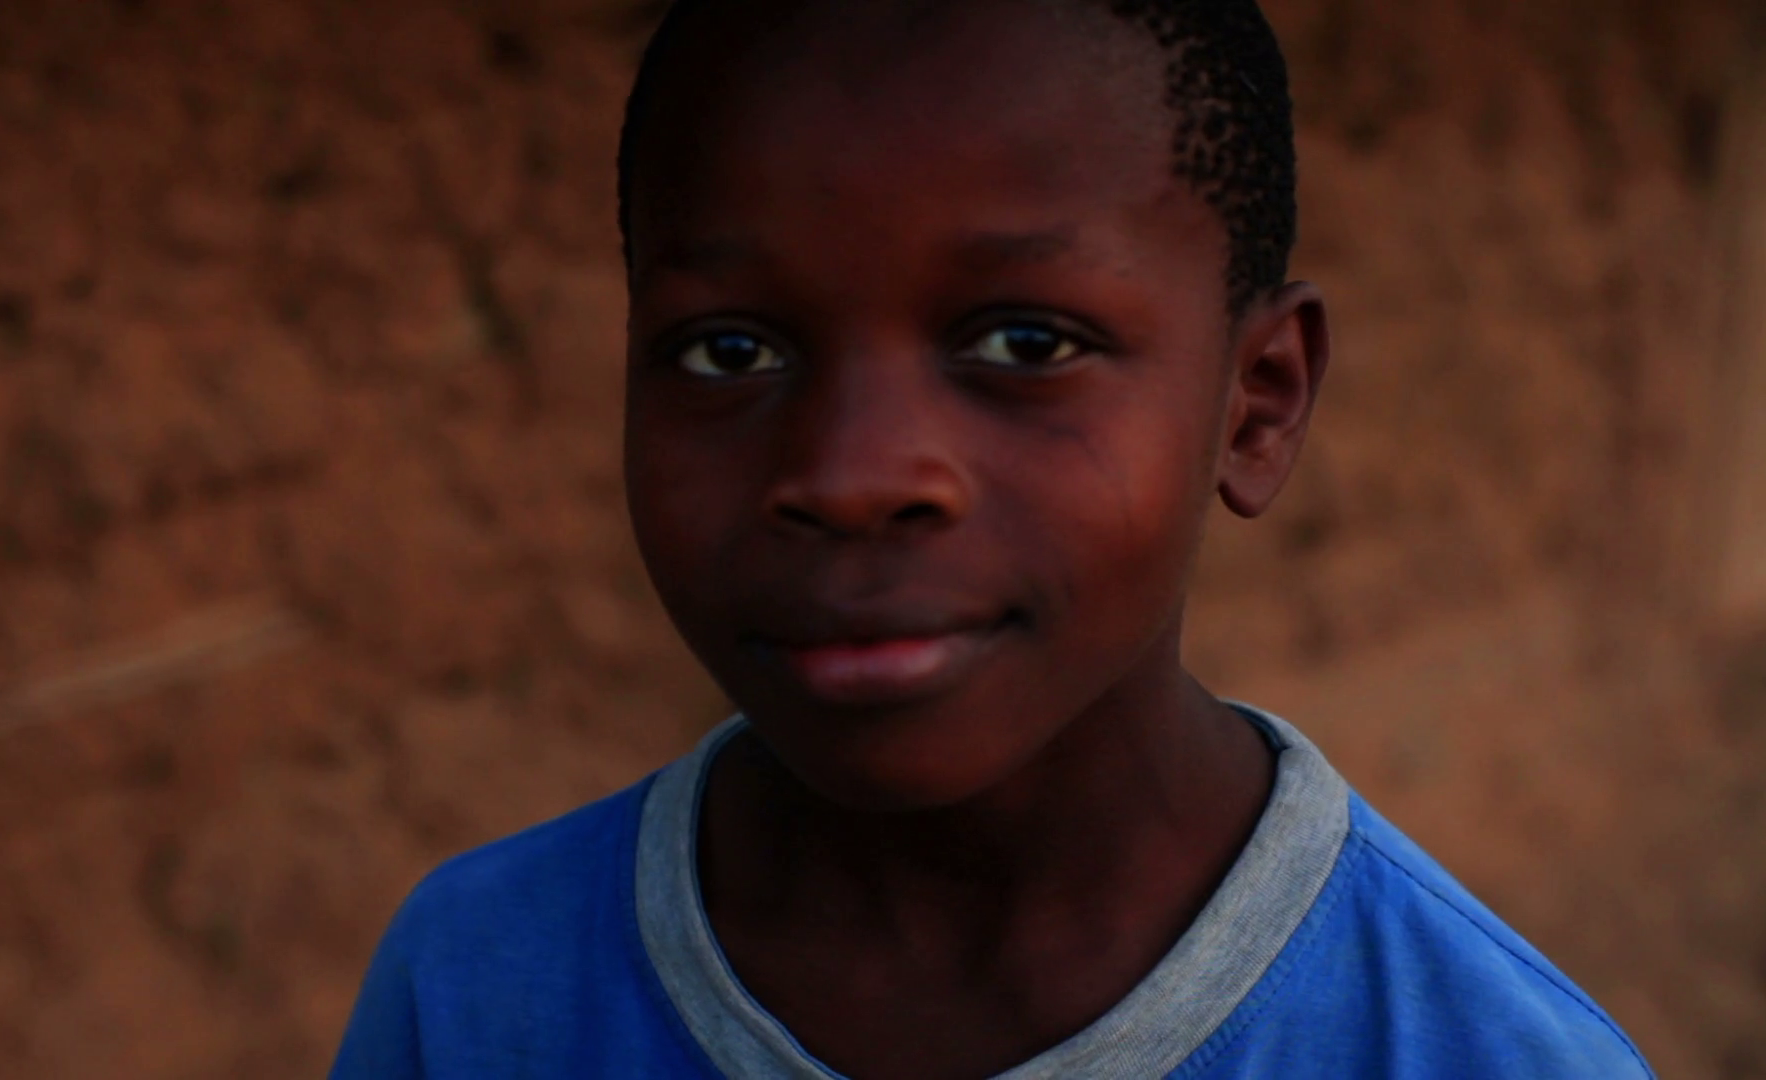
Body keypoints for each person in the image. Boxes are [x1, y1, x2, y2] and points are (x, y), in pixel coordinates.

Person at [329, 0, 1653, 1076]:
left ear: (1257, 404)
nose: (850, 477)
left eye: (1027, 343)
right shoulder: (476, 989)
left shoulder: (1472, 1054)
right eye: (730, 350)